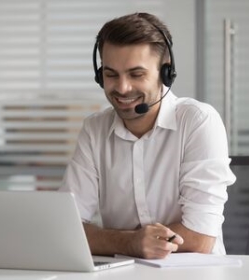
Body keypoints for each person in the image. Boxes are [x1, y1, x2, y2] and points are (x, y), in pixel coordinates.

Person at [60, 12, 236, 259]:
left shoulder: (198, 121)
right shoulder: (95, 129)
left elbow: (200, 238)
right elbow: (65, 230)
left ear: (166, 74)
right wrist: (130, 242)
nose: (122, 88)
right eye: (111, 74)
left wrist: (114, 241)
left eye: (136, 74)